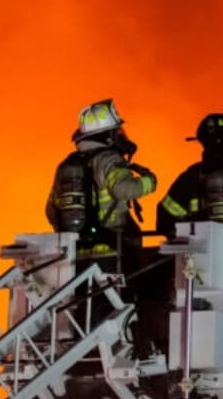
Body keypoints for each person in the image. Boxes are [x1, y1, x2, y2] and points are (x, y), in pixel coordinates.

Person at [46, 99, 158, 272]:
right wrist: (150, 181)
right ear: (107, 136)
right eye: (116, 131)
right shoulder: (109, 159)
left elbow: (51, 211)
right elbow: (124, 189)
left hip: (76, 253)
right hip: (113, 248)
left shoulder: (65, 166)